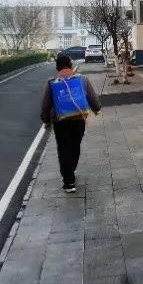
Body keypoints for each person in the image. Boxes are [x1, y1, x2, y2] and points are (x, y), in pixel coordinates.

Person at [41, 54, 102, 192]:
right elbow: (92, 97)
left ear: (57, 67)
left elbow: (46, 105)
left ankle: (69, 181)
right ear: (70, 65)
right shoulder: (82, 79)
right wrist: (97, 108)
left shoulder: (52, 83)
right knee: (75, 146)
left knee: (63, 149)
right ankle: (71, 170)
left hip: (60, 122)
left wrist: (46, 120)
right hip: (79, 119)